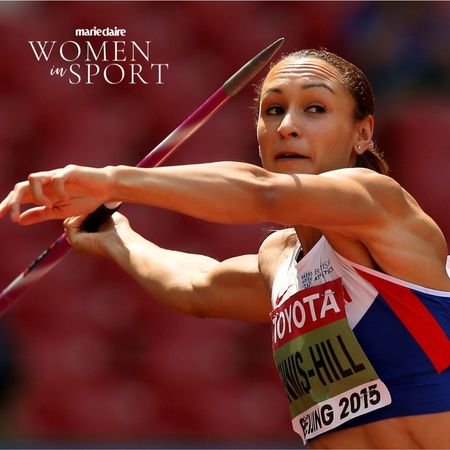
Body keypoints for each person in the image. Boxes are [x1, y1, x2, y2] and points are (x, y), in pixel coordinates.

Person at [1, 49, 449, 449]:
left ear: (362, 133)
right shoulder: (282, 259)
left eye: (315, 109)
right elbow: (198, 286)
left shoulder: (378, 202)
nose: (288, 127)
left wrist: (112, 181)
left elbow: (263, 195)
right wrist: (118, 237)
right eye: (273, 111)